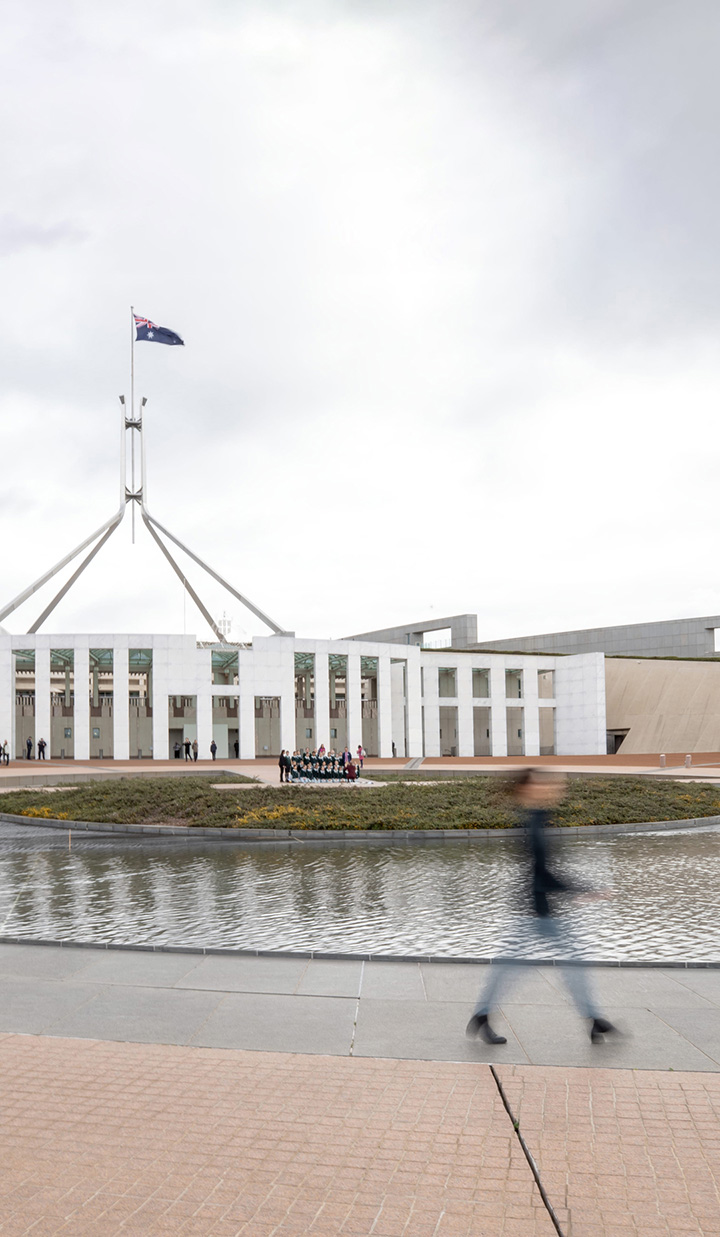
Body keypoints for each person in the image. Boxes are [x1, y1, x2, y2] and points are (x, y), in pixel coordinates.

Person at [466, 769, 618, 1046]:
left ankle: (594, 1020)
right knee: (530, 966)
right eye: (539, 784)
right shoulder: (532, 825)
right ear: (526, 791)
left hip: (539, 910)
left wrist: (575, 891)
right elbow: (543, 873)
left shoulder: (537, 820)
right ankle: (482, 1015)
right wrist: (586, 889)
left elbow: (544, 873)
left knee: (558, 964)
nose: (548, 788)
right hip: (536, 912)